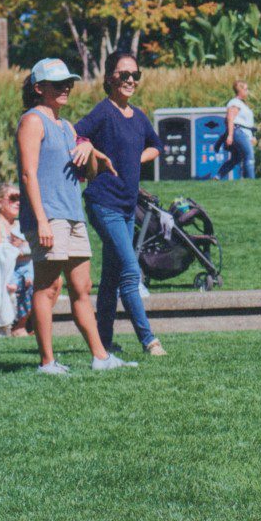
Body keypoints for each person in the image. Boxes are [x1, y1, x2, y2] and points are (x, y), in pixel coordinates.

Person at [16, 58, 135, 375]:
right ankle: (47, 362)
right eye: (58, 84)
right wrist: (41, 220)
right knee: (49, 288)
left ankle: (101, 357)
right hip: (49, 216)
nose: (66, 87)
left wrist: (89, 153)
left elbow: (90, 176)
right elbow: (28, 175)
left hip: (72, 214)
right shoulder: (33, 121)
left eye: (68, 82)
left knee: (82, 287)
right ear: (39, 88)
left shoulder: (67, 127)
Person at [77, 51, 166, 359]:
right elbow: (76, 134)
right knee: (130, 272)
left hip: (128, 207)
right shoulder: (103, 112)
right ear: (110, 78)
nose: (130, 80)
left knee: (113, 275)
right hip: (104, 203)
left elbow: (156, 146)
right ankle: (150, 341)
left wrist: (134, 158)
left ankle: (103, 340)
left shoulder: (138, 116)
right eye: (123, 74)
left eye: (135, 75)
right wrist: (90, 152)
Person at [0, 182, 32, 336]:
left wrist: (21, 249)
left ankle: (20, 326)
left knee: (54, 281)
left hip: (24, 270)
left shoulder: (21, 224)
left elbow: (34, 247)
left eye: (21, 198)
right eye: (13, 198)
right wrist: (24, 249)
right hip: (3, 274)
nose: (18, 202)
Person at [216, 79, 257, 179]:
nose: (248, 92)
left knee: (236, 158)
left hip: (244, 132)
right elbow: (230, 119)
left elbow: (248, 123)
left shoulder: (243, 104)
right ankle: (252, 182)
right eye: (246, 89)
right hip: (238, 132)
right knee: (249, 156)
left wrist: (252, 136)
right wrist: (230, 135)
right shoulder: (235, 102)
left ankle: (217, 177)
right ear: (240, 90)